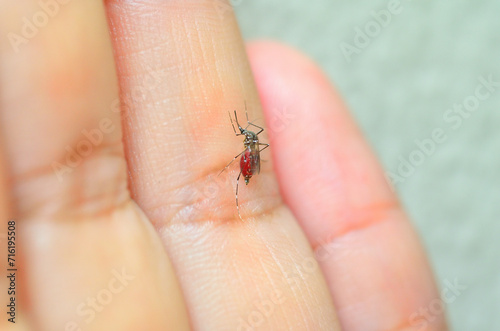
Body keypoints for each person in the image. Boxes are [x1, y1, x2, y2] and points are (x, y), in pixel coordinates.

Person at [0, 0, 447, 330]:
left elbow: (248, 146)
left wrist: (244, 153)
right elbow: (245, 138)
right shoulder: (249, 147)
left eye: (250, 139)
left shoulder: (250, 151)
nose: (250, 140)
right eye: (249, 138)